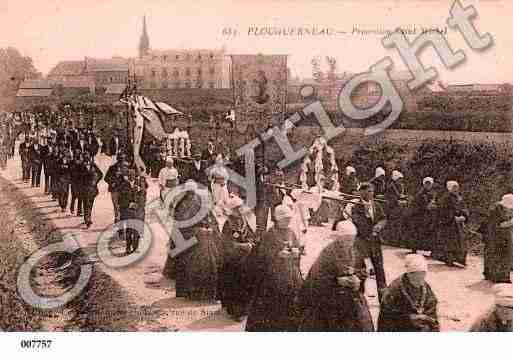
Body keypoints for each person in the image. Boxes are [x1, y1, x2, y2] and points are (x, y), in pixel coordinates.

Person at [296, 220, 374, 331]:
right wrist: (337, 281)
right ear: (339, 238)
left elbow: (363, 270)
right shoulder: (328, 253)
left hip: (350, 298)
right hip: (330, 299)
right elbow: (316, 277)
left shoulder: (355, 250)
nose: (350, 242)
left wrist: (357, 278)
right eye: (347, 239)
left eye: (352, 239)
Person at [244, 205, 303, 331]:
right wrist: (277, 254)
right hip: (273, 276)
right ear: (278, 219)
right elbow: (262, 255)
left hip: (290, 273)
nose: (288, 221)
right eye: (285, 219)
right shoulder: (269, 234)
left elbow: (297, 246)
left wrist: (296, 251)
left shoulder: (291, 232)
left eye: (289, 219)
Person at [337, 182, 387, 302]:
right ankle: (359, 296)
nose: (371, 194)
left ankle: (383, 298)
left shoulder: (376, 205)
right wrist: (365, 215)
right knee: (361, 269)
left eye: (372, 191)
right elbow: (355, 222)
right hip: (361, 241)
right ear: (362, 192)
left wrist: (379, 226)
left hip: (375, 242)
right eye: (368, 191)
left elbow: (383, 218)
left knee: (379, 269)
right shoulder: (355, 205)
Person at [173, 184, 220, 301]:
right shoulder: (181, 206)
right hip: (190, 241)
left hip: (206, 240)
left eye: (194, 194)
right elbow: (181, 227)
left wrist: (210, 229)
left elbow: (214, 223)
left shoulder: (203, 207)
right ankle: (192, 293)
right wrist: (198, 231)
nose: (192, 197)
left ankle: (208, 294)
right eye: (190, 194)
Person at [378, 254, 439, 331]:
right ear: (409, 274)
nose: (420, 279)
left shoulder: (426, 289)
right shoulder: (394, 290)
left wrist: (427, 319)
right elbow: (387, 317)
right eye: (416, 275)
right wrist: (410, 318)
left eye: (422, 274)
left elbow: (432, 311)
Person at [218, 197, 256, 320]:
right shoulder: (228, 224)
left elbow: (250, 235)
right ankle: (235, 311)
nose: (240, 210)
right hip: (232, 259)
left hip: (245, 258)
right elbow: (226, 243)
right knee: (234, 284)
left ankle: (244, 309)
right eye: (238, 208)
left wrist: (250, 243)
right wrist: (243, 246)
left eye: (241, 207)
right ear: (233, 210)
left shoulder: (244, 220)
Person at [432, 180, 469, 267]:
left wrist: (464, 216)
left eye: (457, 187)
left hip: (459, 224)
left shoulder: (460, 198)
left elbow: (465, 208)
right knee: (450, 242)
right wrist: (453, 218)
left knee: (462, 242)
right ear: (449, 188)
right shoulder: (445, 199)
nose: (456, 189)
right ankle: (449, 260)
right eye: (454, 188)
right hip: (449, 224)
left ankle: (461, 260)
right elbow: (443, 211)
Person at [478, 194, 513, 283]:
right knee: (495, 253)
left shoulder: (506, 208)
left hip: (505, 235)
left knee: (505, 254)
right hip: (494, 236)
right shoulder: (495, 210)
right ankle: (494, 275)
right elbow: (493, 224)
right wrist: (507, 223)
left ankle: (503, 275)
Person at [408, 177, 437, 253]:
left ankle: (430, 249)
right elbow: (417, 205)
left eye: (429, 184)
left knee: (431, 230)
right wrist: (427, 206)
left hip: (429, 215)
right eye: (426, 184)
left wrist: (433, 206)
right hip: (420, 215)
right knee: (418, 231)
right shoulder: (420, 194)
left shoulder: (433, 193)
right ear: (424, 184)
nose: (428, 185)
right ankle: (414, 248)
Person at [384, 170, 408, 247]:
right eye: (399, 179)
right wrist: (397, 201)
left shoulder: (401, 186)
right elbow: (389, 198)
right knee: (394, 223)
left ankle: (400, 240)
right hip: (392, 208)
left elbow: (403, 195)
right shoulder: (391, 187)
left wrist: (404, 198)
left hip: (400, 207)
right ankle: (393, 240)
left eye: (401, 179)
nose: (400, 181)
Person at [104, 152, 127, 223]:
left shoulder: (126, 168)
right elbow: (106, 178)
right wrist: (112, 182)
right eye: (120, 159)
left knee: (123, 204)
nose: (121, 161)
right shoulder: (112, 168)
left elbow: (130, 178)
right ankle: (117, 217)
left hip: (123, 189)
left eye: (122, 159)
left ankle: (121, 217)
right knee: (116, 205)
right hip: (114, 189)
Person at [81, 157, 103, 228]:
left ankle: (88, 217)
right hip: (85, 188)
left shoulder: (94, 166)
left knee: (90, 204)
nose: (87, 163)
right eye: (85, 162)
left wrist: (96, 181)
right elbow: (77, 177)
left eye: (88, 162)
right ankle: (87, 219)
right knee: (86, 204)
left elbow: (101, 174)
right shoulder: (81, 167)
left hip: (93, 189)